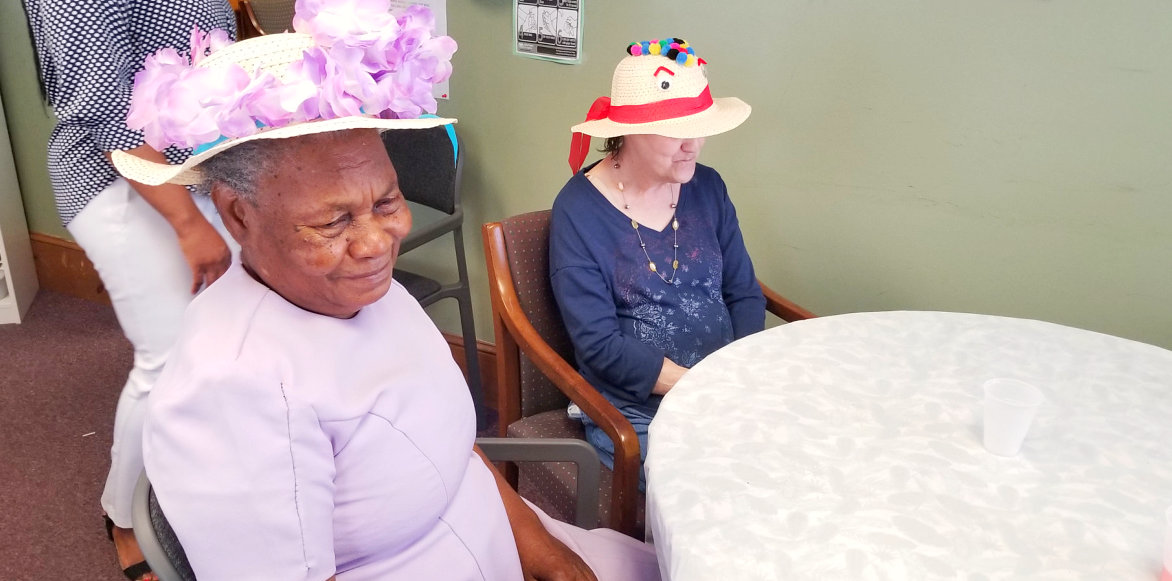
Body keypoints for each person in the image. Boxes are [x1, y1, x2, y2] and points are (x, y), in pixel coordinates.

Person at [117, 3, 660, 579]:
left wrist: (552, 559)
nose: (378, 242)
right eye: (333, 223)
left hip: (504, 536)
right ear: (238, 216)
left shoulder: (363, 292)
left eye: (386, 202)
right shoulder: (234, 392)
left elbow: (455, 454)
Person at [21, 1, 236, 579]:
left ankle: (200, 473)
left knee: (229, 333)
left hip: (191, 171)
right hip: (118, 178)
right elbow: (108, 111)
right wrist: (188, 225)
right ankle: (124, 514)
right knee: (168, 357)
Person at [552, 38, 765, 481]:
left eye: (699, 126)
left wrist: (739, 378)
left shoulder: (707, 187)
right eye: (675, 130)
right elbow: (599, 346)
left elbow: (743, 292)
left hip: (728, 390)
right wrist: (702, 389)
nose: (693, 146)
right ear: (626, 131)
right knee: (727, 489)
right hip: (637, 412)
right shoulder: (579, 211)